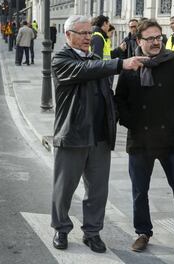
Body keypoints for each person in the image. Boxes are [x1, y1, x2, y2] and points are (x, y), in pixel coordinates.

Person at [51, 15, 147, 253]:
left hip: (100, 136)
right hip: (73, 135)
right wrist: (120, 63)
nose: (87, 37)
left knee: (98, 190)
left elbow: (107, 94)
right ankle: (61, 229)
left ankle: (92, 232)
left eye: (89, 33)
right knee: (64, 188)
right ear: (68, 35)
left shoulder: (96, 60)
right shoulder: (61, 59)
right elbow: (85, 70)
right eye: (82, 33)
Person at [115, 19, 174, 257]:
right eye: (149, 38)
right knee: (140, 191)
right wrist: (130, 121)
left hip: (171, 139)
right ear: (139, 41)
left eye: (158, 37)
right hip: (140, 140)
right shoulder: (131, 66)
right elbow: (120, 98)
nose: (155, 42)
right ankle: (143, 232)